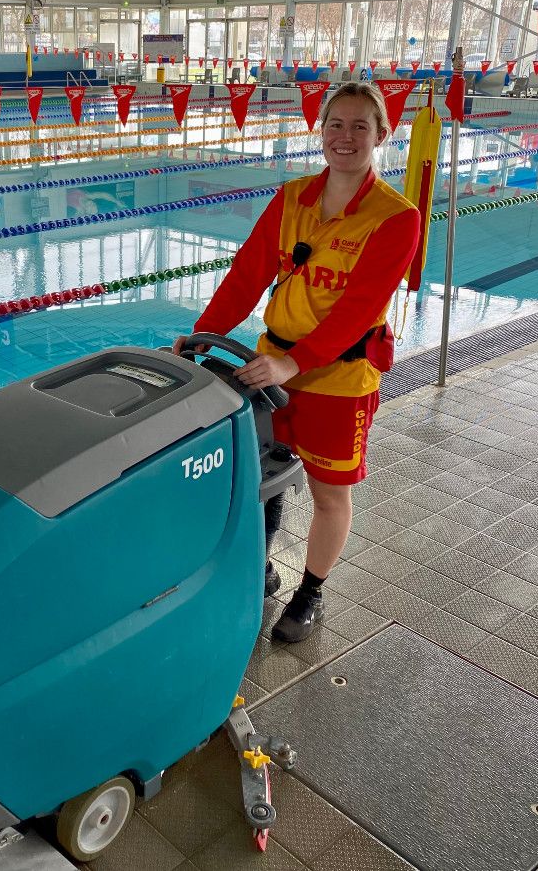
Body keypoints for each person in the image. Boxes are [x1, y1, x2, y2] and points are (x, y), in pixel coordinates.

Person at [173, 82, 421, 643]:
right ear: (321, 129)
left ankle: (310, 592)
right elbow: (247, 276)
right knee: (263, 472)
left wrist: (295, 364)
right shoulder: (292, 199)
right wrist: (203, 336)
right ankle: (260, 567)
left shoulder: (395, 217)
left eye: (361, 126)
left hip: (338, 378)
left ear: (382, 135)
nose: (346, 137)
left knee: (330, 492)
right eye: (337, 124)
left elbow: (358, 312)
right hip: (270, 363)